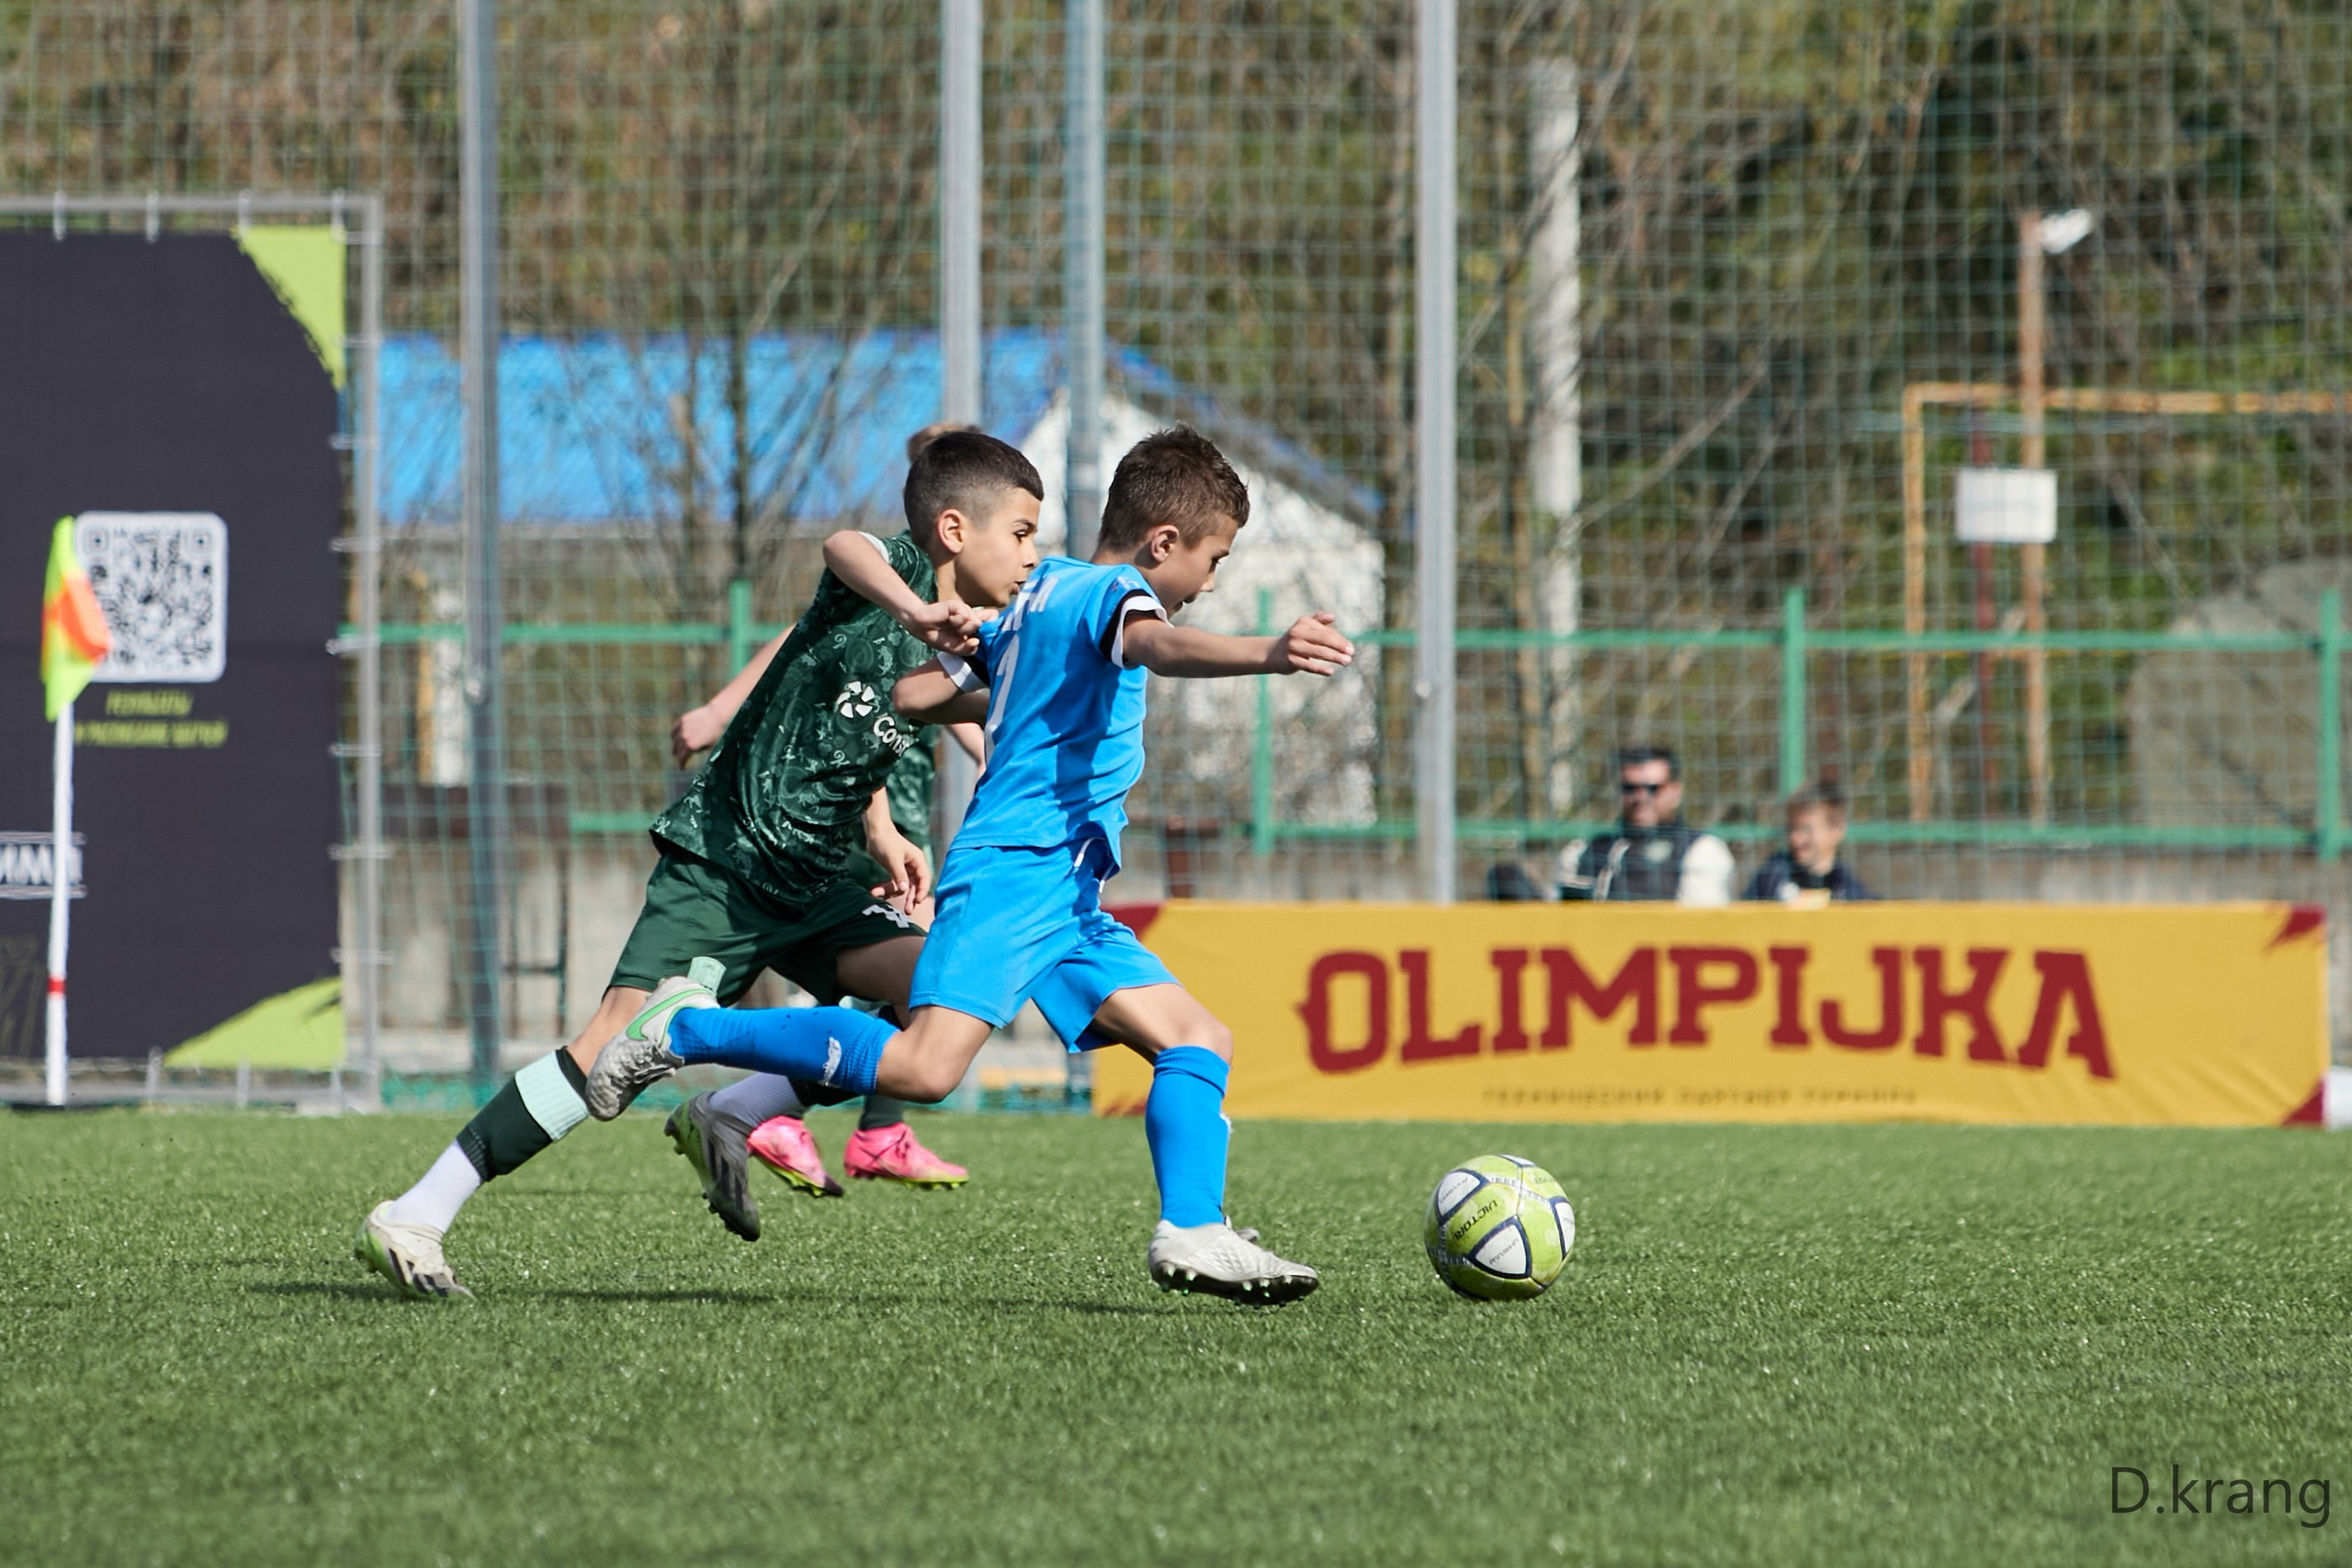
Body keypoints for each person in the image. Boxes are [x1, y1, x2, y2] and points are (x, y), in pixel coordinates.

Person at [585, 426, 1353, 1303]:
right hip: (1018, 870)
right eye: (1213, 560)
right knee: (923, 1067)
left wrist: (1014, 688)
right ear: (1163, 543)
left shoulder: (1043, 591)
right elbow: (1152, 647)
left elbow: (914, 693)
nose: (1210, 583)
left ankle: (1194, 1227)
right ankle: (687, 1030)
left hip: (1066, 890)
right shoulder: (1114, 595)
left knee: (1196, 1039)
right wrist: (1267, 651)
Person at [354, 429, 1043, 1300]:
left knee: (934, 995)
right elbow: (843, 548)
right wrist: (912, 609)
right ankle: (415, 1213)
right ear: (953, 529)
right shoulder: (884, 579)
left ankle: (735, 1109)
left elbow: (854, 720)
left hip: (819, 879)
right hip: (725, 862)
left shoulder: (963, 645)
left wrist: (881, 825)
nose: (1032, 554)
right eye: (1021, 532)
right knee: (604, 1052)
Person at [664, 423, 990, 1201]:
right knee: (901, 966)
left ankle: (829, 1117)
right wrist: (717, 711)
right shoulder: (893, 578)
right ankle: (767, 1098)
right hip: (837, 809)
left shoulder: (966, 603)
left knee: (904, 972)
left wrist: (995, 743)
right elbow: (797, 643)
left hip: (891, 809)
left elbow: (952, 696)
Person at [1556, 746, 1735, 905]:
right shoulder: (1583, 851)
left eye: (1652, 789)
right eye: (1629, 788)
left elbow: (1704, 930)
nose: (1640, 798)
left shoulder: (1701, 850)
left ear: (1675, 791)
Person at [1744, 783, 1872, 906]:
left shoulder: (1850, 891)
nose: (1795, 838)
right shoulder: (1770, 878)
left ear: (1836, 830)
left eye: (1805, 829)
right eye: (1791, 828)